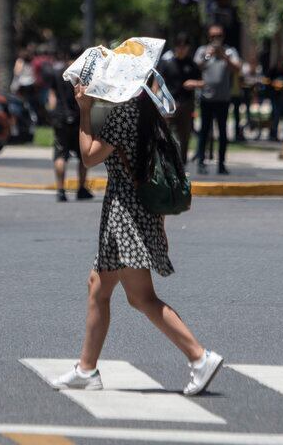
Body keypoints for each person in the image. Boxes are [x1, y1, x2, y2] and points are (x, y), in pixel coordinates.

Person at [49, 85, 223, 396]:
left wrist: (85, 110)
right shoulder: (148, 111)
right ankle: (86, 369)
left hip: (126, 214)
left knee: (142, 297)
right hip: (136, 211)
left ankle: (199, 357)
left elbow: (88, 156)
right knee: (98, 286)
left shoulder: (123, 114)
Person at [193, 24, 241, 175]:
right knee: (204, 131)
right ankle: (201, 162)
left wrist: (224, 57)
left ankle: (221, 164)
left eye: (218, 36)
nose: (216, 39)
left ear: (223, 36)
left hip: (223, 99)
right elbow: (196, 66)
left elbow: (237, 68)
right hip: (206, 98)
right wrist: (208, 55)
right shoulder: (203, 51)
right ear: (209, 37)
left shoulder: (230, 51)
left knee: (222, 132)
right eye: (213, 36)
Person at [48, 48, 93, 202]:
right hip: (79, 117)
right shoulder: (83, 75)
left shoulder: (58, 72)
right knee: (83, 155)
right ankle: (82, 188)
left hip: (60, 117)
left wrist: (53, 112)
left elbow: (52, 96)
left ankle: (61, 190)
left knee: (60, 155)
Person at [159, 33, 202, 165]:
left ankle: (182, 164)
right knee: (164, 134)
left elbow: (202, 82)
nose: (181, 49)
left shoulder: (192, 64)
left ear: (188, 47)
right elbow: (158, 80)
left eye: (184, 46)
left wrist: (194, 83)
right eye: (179, 46)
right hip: (169, 104)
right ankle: (165, 162)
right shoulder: (167, 62)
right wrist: (155, 97)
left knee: (185, 136)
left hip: (186, 104)